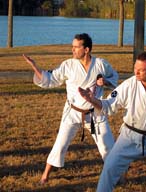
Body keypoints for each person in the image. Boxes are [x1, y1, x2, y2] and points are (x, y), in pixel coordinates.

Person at [78, 52, 146, 192]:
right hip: (130, 137)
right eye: (135, 68)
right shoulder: (129, 85)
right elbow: (109, 105)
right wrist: (92, 100)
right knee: (109, 169)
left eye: (141, 70)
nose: (136, 72)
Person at [23, 33, 118, 184]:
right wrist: (36, 68)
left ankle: (116, 176)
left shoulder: (101, 64)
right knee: (61, 143)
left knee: (108, 147)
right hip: (73, 112)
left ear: (86, 49)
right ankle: (45, 175)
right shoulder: (68, 65)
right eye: (72, 47)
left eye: (76, 47)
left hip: (95, 113)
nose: (72, 50)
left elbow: (114, 78)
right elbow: (52, 78)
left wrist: (105, 81)